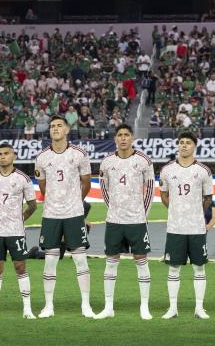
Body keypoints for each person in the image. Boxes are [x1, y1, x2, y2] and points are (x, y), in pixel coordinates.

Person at [35, 115, 92, 318]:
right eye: (52, 126)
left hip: (74, 214)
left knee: (80, 259)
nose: (55, 128)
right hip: (51, 214)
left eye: (59, 125)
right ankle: (48, 306)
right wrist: (55, 200)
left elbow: (86, 181)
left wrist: (75, 201)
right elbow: (42, 186)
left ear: (67, 130)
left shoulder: (79, 154)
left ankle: (86, 305)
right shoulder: (41, 157)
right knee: (50, 261)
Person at [95, 124, 155, 320]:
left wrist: (142, 214)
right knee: (111, 262)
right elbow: (104, 190)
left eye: (126, 135)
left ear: (132, 138)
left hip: (137, 221)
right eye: (119, 135)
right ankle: (108, 307)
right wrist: (114, 209)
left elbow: (150, 189)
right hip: (114, 221)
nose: (123, 138)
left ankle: (144, 307)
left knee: (141, 261)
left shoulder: (144, 160)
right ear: (115, 139)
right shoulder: (106, 162)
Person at [160, 132, 213, 319]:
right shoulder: (167, 170)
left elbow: (208, 198)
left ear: (194, 146)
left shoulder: (203, 171)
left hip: (197, 227)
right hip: (175, 227)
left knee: (199, 267)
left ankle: (199, 308)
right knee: (174, 268)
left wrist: (195, 211)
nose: (184, 145)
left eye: (188, 143)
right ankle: (172, 308)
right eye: (181, 142)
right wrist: (175, 209)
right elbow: (164, 195)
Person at [0, 143, 37, 319]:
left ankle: (27, 309)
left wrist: (20, 219)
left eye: (6, 153)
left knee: (20, 267)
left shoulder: (23, 179)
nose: (2, 157)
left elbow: (32, 205)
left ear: (13, 156)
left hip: (16, 231)